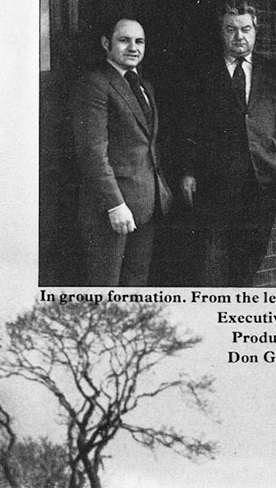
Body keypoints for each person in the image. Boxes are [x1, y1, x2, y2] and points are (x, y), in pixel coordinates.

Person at [173, 3, 276, 287]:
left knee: (250, 260)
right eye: (231, 29)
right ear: (221, 32)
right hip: (215, 183)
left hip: (262, 183)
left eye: (246, 29)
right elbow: (188, 124)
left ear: (255, 31)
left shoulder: (274, 71)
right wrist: (188, 171)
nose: (239, 36)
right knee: (210, 264)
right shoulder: (201, 72)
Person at [71, 16, 172, 287]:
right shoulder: (95, 83)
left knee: (135, 286)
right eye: (124, 40)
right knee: (106, 289)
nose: (133, 47)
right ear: (107, 43)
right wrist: (115, 205)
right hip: (111, 210)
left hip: (147, 206)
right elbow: (92, 153)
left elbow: (147, 144)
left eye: (139, 41)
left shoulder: (144, 85)